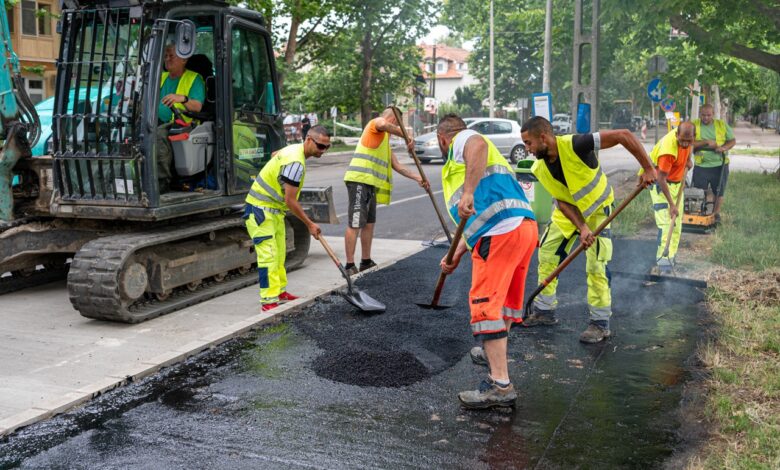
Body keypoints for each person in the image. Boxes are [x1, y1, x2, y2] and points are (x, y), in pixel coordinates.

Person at [520, 117, 656, 343]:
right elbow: (561, 202)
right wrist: (581, 227)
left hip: (597, 211)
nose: (527, 150)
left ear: (543, 138)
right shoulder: (539, 167)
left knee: (596, 265)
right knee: (546, 255)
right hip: (569, 214)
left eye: (528, 143)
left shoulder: (577, 144)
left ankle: (600, 323)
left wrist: (648, 167)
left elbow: (624, 135)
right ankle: (544, 311)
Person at [437, 114, 537, 409]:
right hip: (522, 228)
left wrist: (467, 191)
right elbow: (477, 220)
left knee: (485, 307)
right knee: (504, 302)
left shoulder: (462, 139)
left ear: (444, 138)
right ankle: (495, 352)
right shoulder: (483, 158)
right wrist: (454, 256)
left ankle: (500, 384)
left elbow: (477, 143)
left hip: (500, 234)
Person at [244, 125, 331, 311]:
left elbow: (275, 154)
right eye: (321, 146)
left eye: (327, 147)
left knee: (279, 254)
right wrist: (310, 224)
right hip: (260, 211)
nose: (323, 151)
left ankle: (280, 292)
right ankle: (268, 302)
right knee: (268, 257)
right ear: (309, 140)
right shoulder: (296, 163)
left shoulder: (293, 150)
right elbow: (290, 200)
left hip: (274, 211)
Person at [342, 107, 428, 275]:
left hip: (370, 184)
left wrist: (419, 178)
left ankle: (365, 261)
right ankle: (349, 266)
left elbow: (398, 166)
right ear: (395, 121)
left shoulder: (384, 142)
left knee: (368, 224)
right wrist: (406, 135)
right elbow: (383, 123)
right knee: (355, 222)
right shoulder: (376, 124)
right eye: (399, 124)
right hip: (359, 180)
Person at [645, 123, 695, 273]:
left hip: (677, 185)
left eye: (689, 141)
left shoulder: (688, 140)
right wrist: (672, 205)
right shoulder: (668, 150)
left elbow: (687, 150)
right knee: (666, 225)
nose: (685, 144)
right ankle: (663, 264)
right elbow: (661, 179)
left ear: (693, 137)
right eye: (682, 141)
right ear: (676, 136)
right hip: (661, 186)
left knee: (677, 225)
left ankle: (671, 258)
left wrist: (687, 161)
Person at [156, 44, 206, 193]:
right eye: (165, 56)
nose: (167, 59)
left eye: (171, 56)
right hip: (155, 121)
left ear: (184, 59)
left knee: (158, 136)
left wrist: (182, 99)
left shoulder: (194, 78)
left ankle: (161, 183)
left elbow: (197, 106)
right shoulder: (160, 77)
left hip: (182, 125)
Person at [692, 104, 735, 223]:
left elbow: (732, 140)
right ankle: (700, 212)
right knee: (699, 191)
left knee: (719, 191)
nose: (705, 118)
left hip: (720, 165)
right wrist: (706, 142)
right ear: (700, 114)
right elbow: (690, 143)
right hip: (701, 165)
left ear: (713, 115)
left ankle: (715, 214)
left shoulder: (721, 125)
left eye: (708, 115)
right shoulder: (694, 125)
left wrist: (723, 148)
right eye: (703, 115)